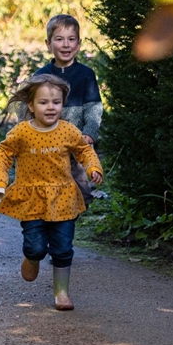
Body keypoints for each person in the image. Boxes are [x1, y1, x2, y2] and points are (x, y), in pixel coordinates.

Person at [0, 74, 103, 311]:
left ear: (62, 104)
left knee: (63, 247)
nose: (51, 107)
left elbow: (84, 149)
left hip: (64, 198)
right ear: (31, 105)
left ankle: (61, 293)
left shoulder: (68, 130)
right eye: (43, 102)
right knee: (36, 246)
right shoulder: (21, 132)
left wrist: (93, 167)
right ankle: (31, 257)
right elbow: (3, 154)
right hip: (31, 200)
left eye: (56, 102)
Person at [33, 14, 103, 205]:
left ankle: (68, 224)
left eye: (71, 39)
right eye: (59, 39)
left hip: (77, 145)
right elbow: (29, 109)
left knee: (81, 194)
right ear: (48, 44)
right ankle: (52, 226)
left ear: (78, 44)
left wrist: (89, 133)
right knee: (49, 192)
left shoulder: (86, 75)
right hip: (47, 146)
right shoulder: (41, 76)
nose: (66, 45)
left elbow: (93, 108)